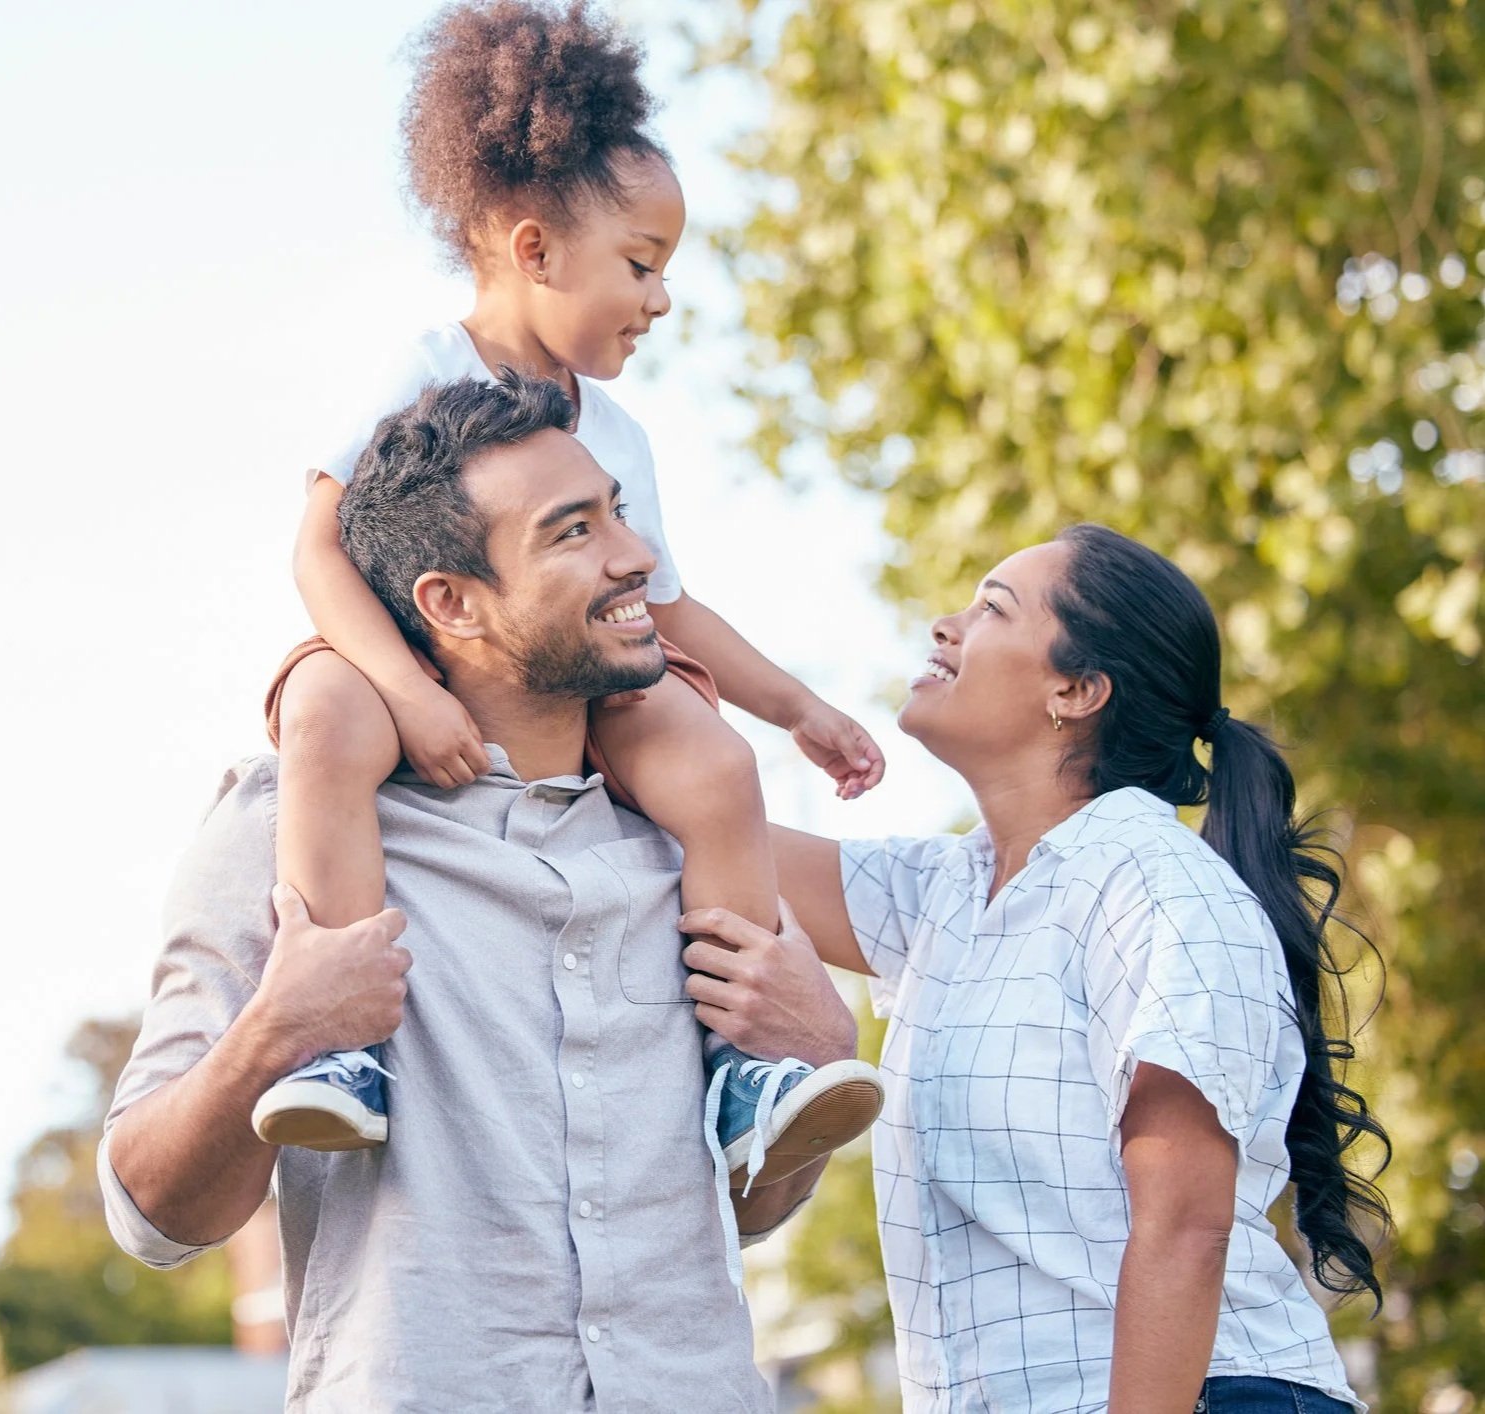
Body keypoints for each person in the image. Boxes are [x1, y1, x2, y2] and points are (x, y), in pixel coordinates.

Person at [99, 372, 860, 1409]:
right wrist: (276, 1036)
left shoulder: (690, 830)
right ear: (450, 603)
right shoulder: (291, 829)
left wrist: (810, 1049)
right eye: (572, 532)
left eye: (619, 515)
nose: (635, 557)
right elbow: (151, 1213)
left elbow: (753, 1202)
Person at [253, 0, 885, 1194]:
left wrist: (795, 707)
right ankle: (341, 1048)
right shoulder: (424, 372)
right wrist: (404, 690)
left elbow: (674, 607)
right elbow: (319, 554)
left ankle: (744, 1066)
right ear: (533, 249)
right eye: (639, 266)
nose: (657, 300)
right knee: (326, 720)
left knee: (713, 767)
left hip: (571, 676)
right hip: (415, 654)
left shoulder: (620, 434)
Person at [690, 525, 1391, 1412]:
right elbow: (695, 812)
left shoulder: (1156, 886)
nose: (944, 626)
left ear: (1076, 690)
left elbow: (1184, 1226)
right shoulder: (946, 890)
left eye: (989, 608)